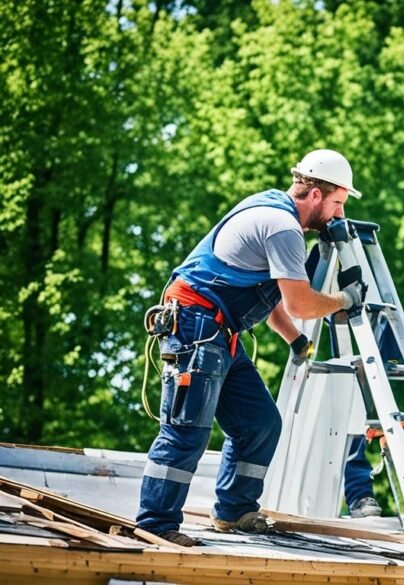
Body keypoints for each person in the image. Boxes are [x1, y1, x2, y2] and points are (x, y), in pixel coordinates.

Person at [137, 149, 367, 546]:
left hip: (218, 332)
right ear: (316, 194)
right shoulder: (282, 226)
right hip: (195, 325)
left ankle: (234, 510)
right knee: (186, 430)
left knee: (259, 423)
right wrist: (345, 300)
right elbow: (299, 302)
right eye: (337, 204)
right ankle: (154, 525)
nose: (338, 216)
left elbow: (274, 297)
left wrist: (294, 339)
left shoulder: (275, 213)